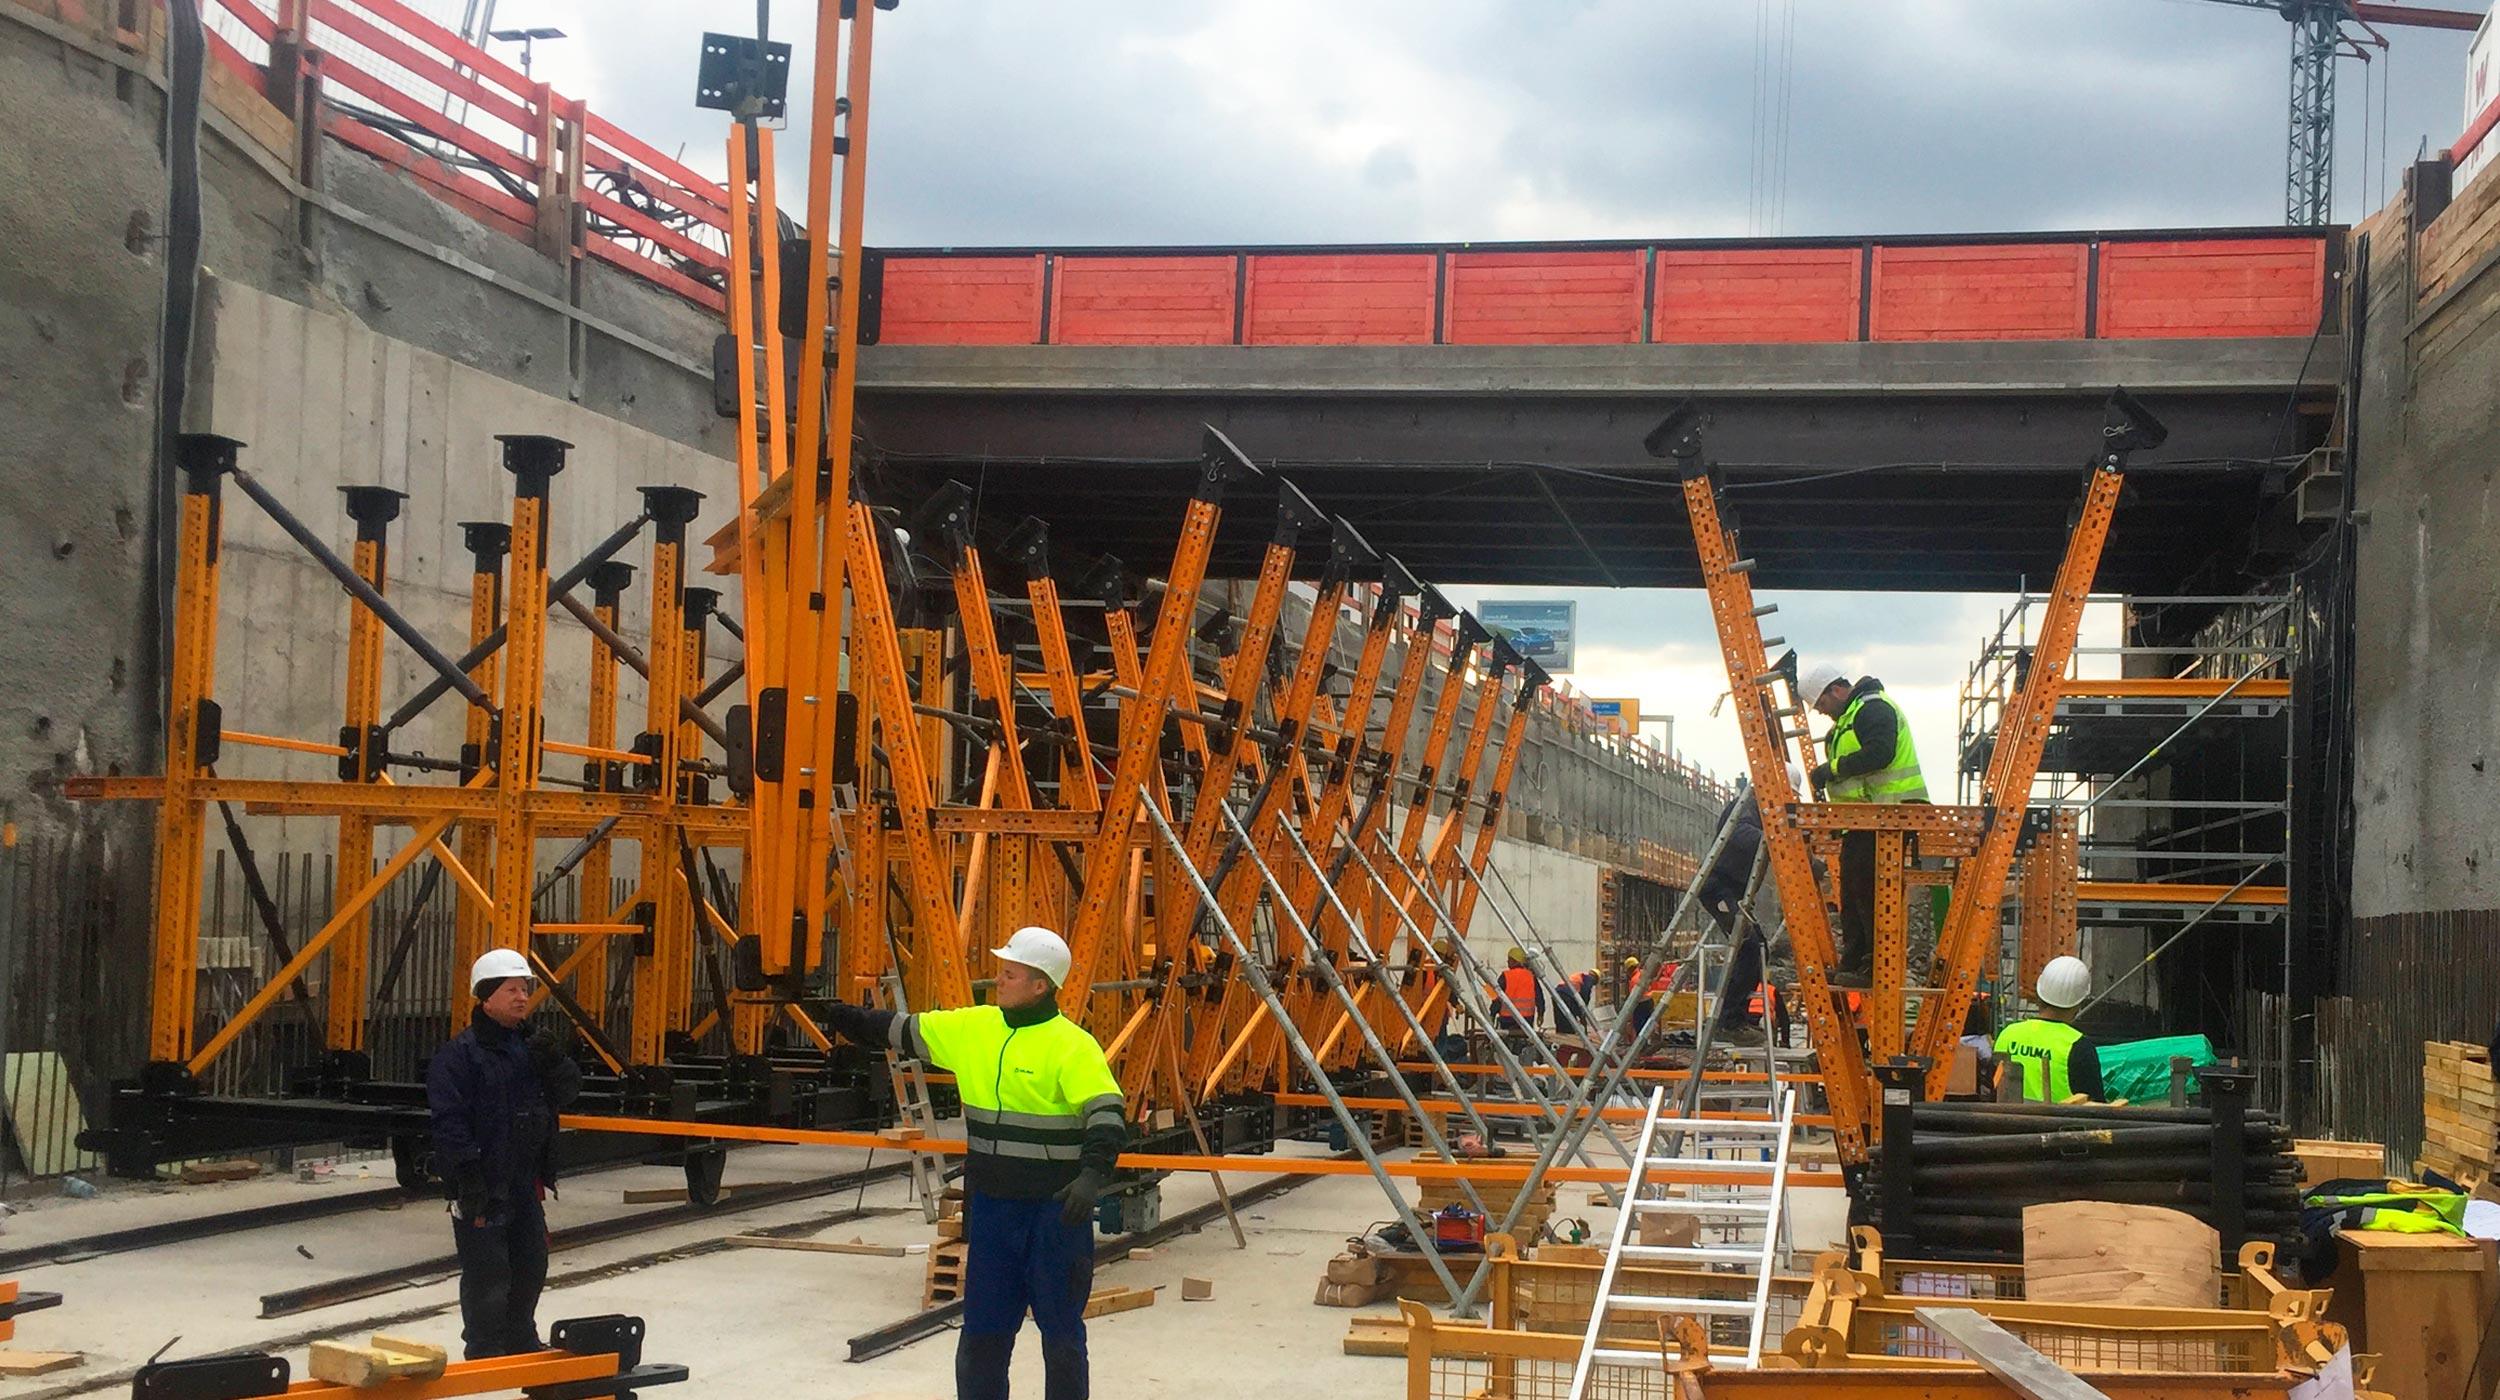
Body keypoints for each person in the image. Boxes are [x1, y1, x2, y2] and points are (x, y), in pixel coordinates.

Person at [822, 926, 1125, 1400]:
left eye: (1009, 973)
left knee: (1061, 1338)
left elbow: (1106, 1115)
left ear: (1040, 985)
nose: (997, 981)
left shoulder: (1072, 1045)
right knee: (983, 1334)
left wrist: (1092, 1177)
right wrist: (840, 1016)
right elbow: (900, 1030)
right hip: (993, 1212)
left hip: (1054, 1214)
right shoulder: (974, 1029)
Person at [427, 948, 582, 1360]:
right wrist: (467, 1175)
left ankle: (520, 1339)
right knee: (487, 1271)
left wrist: (556, 1061)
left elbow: (568, 1092)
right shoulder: (459, 1056)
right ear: (486, 996)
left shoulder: (531, 1047)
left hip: (522, 1179)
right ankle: (484, 1347)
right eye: (511, 989)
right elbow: (449, 1120)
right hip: (482, 1182)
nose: (521, 997)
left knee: (531, 1262)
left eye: (525, 988)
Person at [1799, 665, 1928, 989]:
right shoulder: (1848, 721)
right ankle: (1854, 961)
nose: (1824, 714)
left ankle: (1874, 965)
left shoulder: (1873, 708)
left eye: (1824, 706)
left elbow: (1880, 753)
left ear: (1837, 690)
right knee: (1853, 890)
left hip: (1890, 815)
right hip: (1864, 820)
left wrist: (1832, 769)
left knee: (1871, 893)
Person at [1993, 955, 2106, 1102]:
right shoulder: (2078, 1047)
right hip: (2060, 1124)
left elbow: (1993, 1087)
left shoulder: (2008, 1034)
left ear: (2040, 994)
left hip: (2005, 1122)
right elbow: (2096, 1108)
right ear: (2078, 1002)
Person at [1492, 945, 1543, 1032]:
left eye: (1509, 959)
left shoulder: (1505, 976)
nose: (1508, 962)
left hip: (1507, 1019)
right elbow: (1539, 996)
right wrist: (1541, 1013)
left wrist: (1492, 1013)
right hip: (1527, 1018)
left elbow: (1498, 998)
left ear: (1515, 961)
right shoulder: (1531, 976)